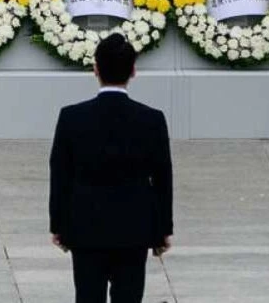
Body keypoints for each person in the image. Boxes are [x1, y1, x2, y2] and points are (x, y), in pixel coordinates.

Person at [48, 33, 174, 303]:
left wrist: (58, 223)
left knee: (88, 296)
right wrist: (163, 227)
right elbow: (163, 177)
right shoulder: (151, 119)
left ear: (95, 69)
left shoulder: (72, 117)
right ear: (133, 71)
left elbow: (60, 174)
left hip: (85, 225)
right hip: (134, 227)